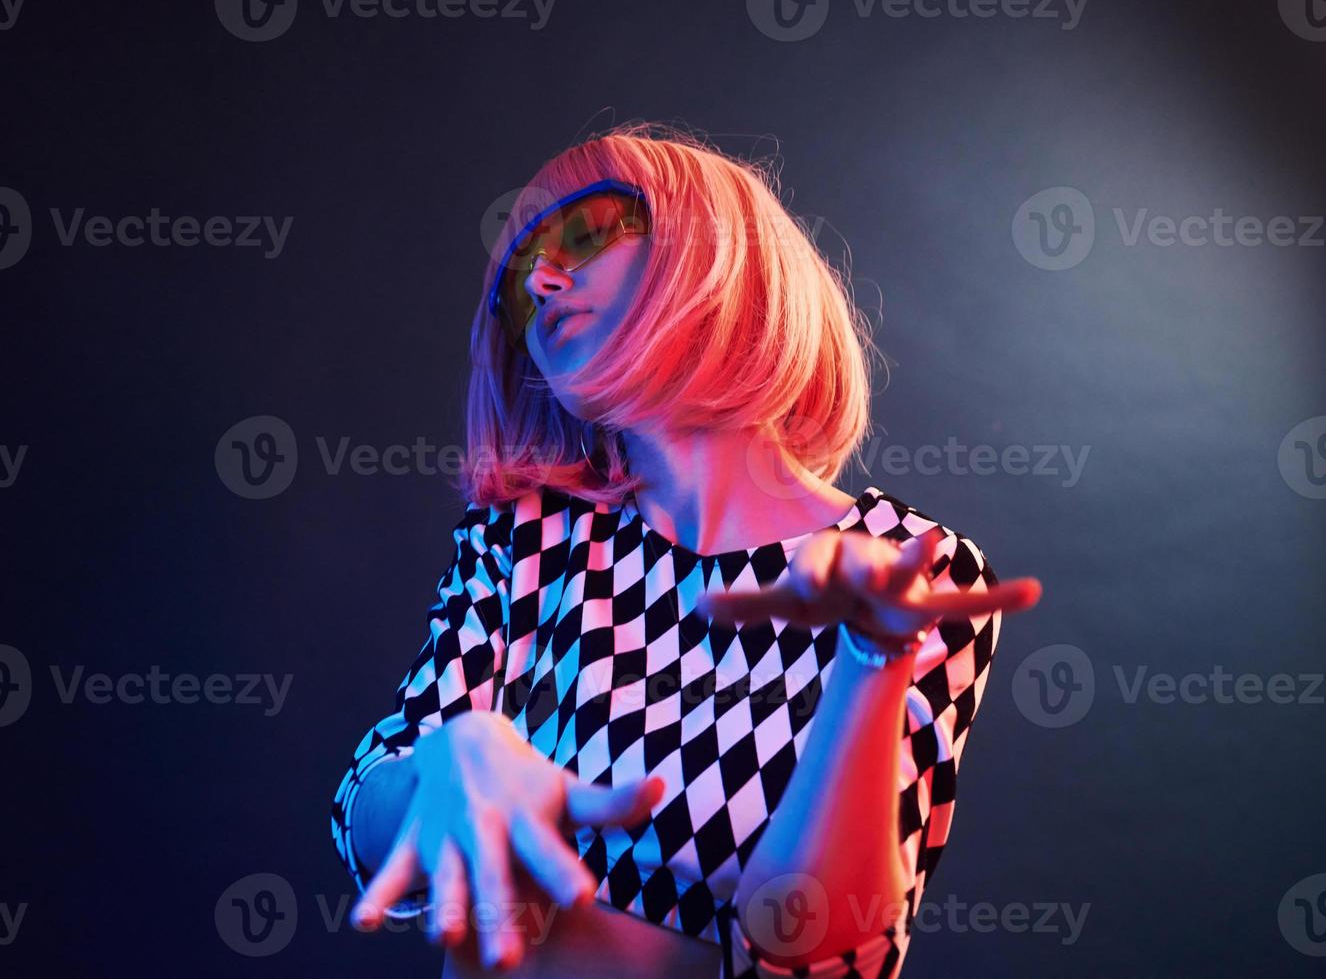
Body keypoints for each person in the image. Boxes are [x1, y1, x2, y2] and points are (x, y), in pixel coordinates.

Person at [330, 122, 1043, 978]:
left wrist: (871, 659)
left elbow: (819, 953)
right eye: (522, 282)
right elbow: (363, 811)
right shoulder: (530, 537)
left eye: (587, 233)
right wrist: (443, 763)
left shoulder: (915, 569)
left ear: (717, 250)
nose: (545, 278)